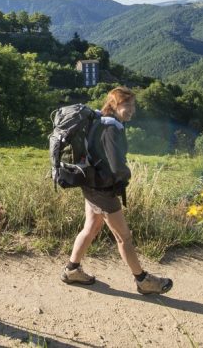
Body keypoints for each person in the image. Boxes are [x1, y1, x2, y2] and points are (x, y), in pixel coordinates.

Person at [61, 86, 173, 295]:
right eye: (126, 105)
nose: (131, 109)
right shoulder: (112, 129)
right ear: (114, 104)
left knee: (91, 228)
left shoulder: (99, 121)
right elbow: (116, 165)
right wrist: (125, 176)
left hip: (91, 184)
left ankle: (71, 270)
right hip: (103, 190)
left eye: (133, 105)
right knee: (124, 237)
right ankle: (143, 281)